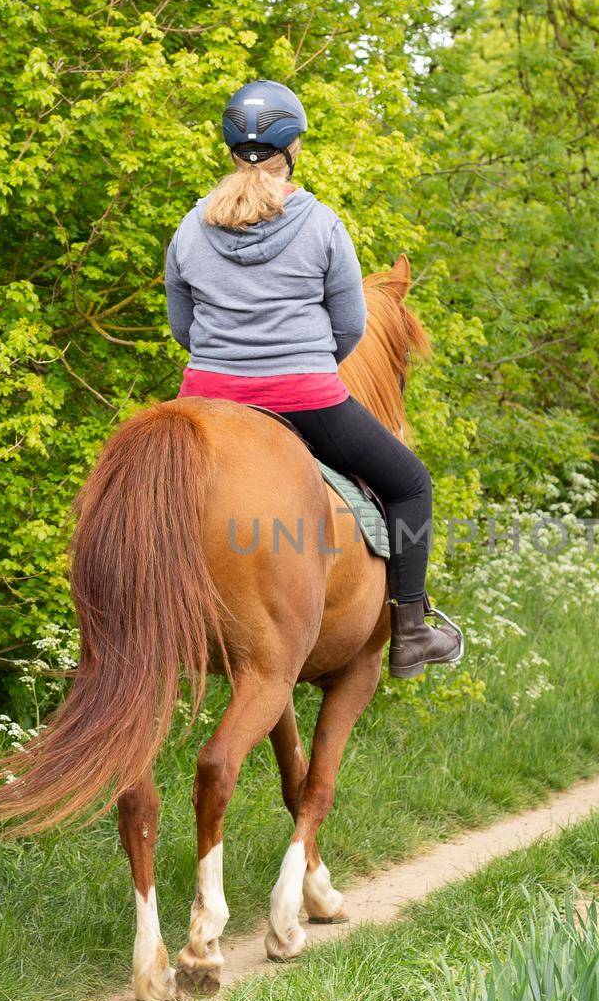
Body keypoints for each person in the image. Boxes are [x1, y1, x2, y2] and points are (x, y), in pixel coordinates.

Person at [164, 80, 463, 679]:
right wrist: (301, 363)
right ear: (293, 145)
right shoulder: (322, 224)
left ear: (229, 148)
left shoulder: (190, 229)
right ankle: (410, 634)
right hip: (305, 398)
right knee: (410, 485)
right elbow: (351, 326)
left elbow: (183, 326)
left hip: (205, 402)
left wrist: (228, 365)